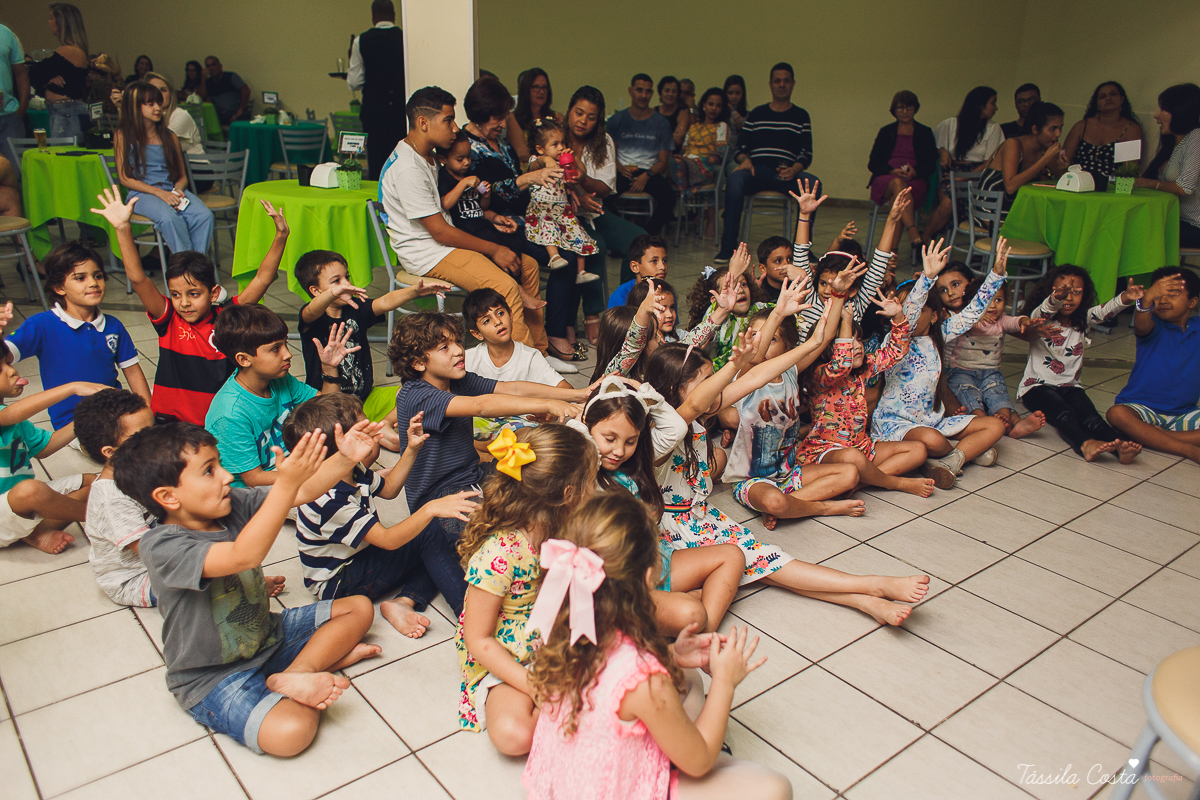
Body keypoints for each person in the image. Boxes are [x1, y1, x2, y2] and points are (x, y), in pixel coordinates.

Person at [113, 421, 383, 757]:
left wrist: (344, 458)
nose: (227, 476)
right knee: (291, 734)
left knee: (358, 607)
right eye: (209, 471)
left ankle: (299, 671)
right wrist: (285, 483)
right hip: (213, 674)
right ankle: (315, 663)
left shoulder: (230, 503)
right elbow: (244, 556)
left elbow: (302, 493)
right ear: (168, 497)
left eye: (220, 464)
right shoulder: (161, 545)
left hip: (268, 635)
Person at [523, 492, 792, 800]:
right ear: (650, 577)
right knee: (775, 788)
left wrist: (671, 655)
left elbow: (609, 678)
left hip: (574, 781)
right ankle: (712, 749)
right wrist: (725, 682)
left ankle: (705, 744)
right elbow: (699, 763)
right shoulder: (645, 681)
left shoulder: (563, 629)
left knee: (687, 677)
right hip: (621, 788)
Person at [645, 335, 931, 625]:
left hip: (700, 518)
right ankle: (872, 586)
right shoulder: (659, 435)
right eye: (708, 381)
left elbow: (757, 376)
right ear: (673, 389)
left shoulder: (692, 417)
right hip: (672, 532)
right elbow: (694, 404)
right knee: (768, 564)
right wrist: (732, 367)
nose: (718, 387)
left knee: (769, 564)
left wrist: (811, 343)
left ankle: (865, 599)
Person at [285, 394, 478, 636]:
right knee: (430, 533)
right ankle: (470, 616)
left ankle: (404, 601)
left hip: (361, 556)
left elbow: (388, 489)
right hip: (339, 583)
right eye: (365, 426)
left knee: (436, 537)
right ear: (341, 445)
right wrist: (430, 508)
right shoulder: (330, 500)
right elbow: (389, 540)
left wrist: (411, 449)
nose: (376, 427)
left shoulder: (350, 468)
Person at [455, 424, 597, 753]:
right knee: (513, 735)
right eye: (591, 483)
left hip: (556, 637)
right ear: (568, 495)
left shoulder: (570, 527)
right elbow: (478, 639)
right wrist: (532, 685)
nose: (596, 490)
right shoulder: (499, 554)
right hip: (508, 657)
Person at [379, 86, 552, 355]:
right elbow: (439, 232)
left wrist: (490, 218)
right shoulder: (408, 168)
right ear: (423, 123)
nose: (454, 127)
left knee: (526, 265)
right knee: (503, 286)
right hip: (427, 252)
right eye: (448, 120)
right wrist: (494, 249)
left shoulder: (428, 156)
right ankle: (526, 368)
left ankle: (539, 353)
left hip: (444, 243)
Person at [91, 186, 285, 425]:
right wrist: (122, 228)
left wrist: (280, 237)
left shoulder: (227, 317)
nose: (184, 303)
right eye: (175, 294)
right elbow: (138, 278)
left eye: (193, 294)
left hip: (219, 421)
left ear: (214, 293)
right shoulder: (168, 318)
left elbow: (262, 279)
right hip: (170, 421)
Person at [387, 311, 586, 543]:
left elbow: (511, 388)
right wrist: (549, 404)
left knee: (544, 487)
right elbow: (481, 406)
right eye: (444, 347)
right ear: (418, 362)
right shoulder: (416, 394)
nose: (458, 350)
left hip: (475, 476)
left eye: (457, 342)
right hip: (440, 497)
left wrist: (577, 394)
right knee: (502, 536)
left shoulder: (456, 381)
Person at [725, 287, 866, 528]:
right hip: (751, 480)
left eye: (771, 339)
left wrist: (838, 294)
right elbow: (756, 357)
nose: (762, 344)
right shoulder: (746, 376)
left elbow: (826, 336)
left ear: (788, 347)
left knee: (851, 474)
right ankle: (822, 508)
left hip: (789, 474)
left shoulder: (791, 371)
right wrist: (778, 314)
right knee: (774, 501)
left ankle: (789, 506)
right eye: (756, 337)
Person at [871, 241, 1007, 487]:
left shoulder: (940, 335)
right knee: (931, 440)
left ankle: (953, 459)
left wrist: (996, 274)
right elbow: (908, 316)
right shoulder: (894, 340)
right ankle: (961, 454)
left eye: (919, 308)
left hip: (934, 420)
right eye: (901, 307)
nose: (907, 312)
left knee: (994, 425)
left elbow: (973, 311)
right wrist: (928, 276)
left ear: (934, 315)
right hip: (897, 423)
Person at [543, 86, 647, 360]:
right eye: (578, 113)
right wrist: (577, 193)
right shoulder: (555, 137)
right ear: (568, 111)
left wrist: (581, 181)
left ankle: (626, 310)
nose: (582, 120)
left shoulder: (604, 142)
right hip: (563, 216)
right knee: (594, 246)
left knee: (638, 242)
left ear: (598, 120)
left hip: (595, 211)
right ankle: (592, 317)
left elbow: (604, 189)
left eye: (590, 117)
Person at [205, 304, 354, 488]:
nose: (288, 354)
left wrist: (330, 368)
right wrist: (316, 474)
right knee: (339, 477)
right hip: (254, 492)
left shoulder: (279, 379)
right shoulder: (229, 414)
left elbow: (331, 411)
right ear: (244, 359)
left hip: (290, 465)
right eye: (275, 349)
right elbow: (254, 479)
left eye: (286, 344)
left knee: (361, 452)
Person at [6, 241, 150, 429]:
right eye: (80, 278)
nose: (93, 283)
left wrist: (147, 410)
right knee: (119, 447)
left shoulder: (113, 325)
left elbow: (132, 371)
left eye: (98, 276)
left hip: (115, 410)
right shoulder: (41, 325)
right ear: (59, 287)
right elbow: (6, 354)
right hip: (72, 422)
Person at [295, 248, 449, 423]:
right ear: (316, 291)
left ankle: (381, 426)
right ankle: (373, 428)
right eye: (336, 281)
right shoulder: (312, 318)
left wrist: (414, 291)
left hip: (365, 399)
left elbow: (384, 302)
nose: (346, 284)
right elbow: (311, 311)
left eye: (347, 277)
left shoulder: (356, 308)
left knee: (420, 393)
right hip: (327, 404)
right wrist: (331, 294)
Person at [1017, 266, 1142, 463]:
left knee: (1091, 417)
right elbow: (1045, 308)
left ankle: (1120, 447)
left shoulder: (1083, 319)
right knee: (1065, 413)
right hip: (1036, 387)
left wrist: (1126, 297)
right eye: (1061, 292)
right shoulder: (1040, 319)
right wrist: (1056, 297)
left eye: (1076, 292)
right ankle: (1084, 444)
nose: (1069, 297)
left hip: (1070, 386)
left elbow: (1107, 310)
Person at [0, 341, 99, 555]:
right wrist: (72, 387)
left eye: (8, 363)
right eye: (1, 369)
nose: (12, 371)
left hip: (19, 505)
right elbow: (10, 415)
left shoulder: (14, 418)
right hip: (15, 503)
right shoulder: (9, 415)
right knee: (31, 490)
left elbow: (45, 448)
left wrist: (85, 417)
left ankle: (37, 533)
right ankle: (104, 517)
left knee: (95, 482)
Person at [715, 62, 816, 263]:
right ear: (770, 84)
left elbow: (806, 153)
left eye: (786, 81)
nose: (781, 85)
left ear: (793, 84)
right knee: (735, 180)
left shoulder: (801, 116)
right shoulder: (757, 115)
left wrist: (796, 168)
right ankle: (728, 248)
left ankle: (802, 249)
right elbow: (740, 148)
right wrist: (745, 161)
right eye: (777, 81)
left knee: (813, 184)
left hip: (787, 173)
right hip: (756, 172)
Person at [938, 267, 1048, 438]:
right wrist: (974, 317)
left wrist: (1025, 321)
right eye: (943, 290)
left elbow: (1014, 322)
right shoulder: (955, 317)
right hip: (960, 371)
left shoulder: (1001, 320)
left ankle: (1013, 422)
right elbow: (952, 322)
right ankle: (981, 421)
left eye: (998, 300)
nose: (951, 293)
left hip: (990, 372)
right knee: (970, 395)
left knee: (998, 392)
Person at [1107, 268, 1200, 464]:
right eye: (1159, 295)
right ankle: (1188, 450)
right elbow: (1141, 321)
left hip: (1184, 412)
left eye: (1173, 294)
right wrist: (1146, 299)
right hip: (1141, 408)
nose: (1164, 300)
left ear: (1192, 302)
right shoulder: (1153, 326)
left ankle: (1155, 437)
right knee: (1117, 414)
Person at [75, 388, 158, 606]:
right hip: (135, 579)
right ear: (110, 452)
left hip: (158, 553)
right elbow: (148, 550)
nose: (155, 439)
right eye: (142, 436)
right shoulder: (113, 498)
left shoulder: (142, 466)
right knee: (212, 581)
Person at [114, 82, 215, 254]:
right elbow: (125, 178)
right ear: (135, 107)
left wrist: (178, 189)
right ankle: (185, 269)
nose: (158, 108)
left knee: (205, 216)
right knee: (169, 218)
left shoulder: (169, 136)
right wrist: (160, 193)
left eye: (159, 103)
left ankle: (196, 268)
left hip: (171, 190)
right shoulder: (123, 135)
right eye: (150, 104)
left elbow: (182, 176)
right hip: (142, 194)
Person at [463, 287, 571, 443]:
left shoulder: (530, 357)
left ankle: (493, 451)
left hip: (520, 424)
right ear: (477, 334)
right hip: (479, 423)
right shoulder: (470, 358)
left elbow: (566, 389)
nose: (497, 322)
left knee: (528, 437)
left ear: (511, 315)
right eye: (486, 320)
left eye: (500, 313)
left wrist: (551, 412)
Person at [922, 86, 1005, 243]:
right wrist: (942, 152)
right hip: (951, 172)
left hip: (978, 176)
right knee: (948, 202)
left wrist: (965, 179)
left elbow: (990, 162)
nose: (996, 108)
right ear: (980, 105)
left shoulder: (993, 129)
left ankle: (976, 246)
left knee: (959, 201)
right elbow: (932, 146)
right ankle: (924, 239)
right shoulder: (950, 124)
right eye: (992, 103)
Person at [525, 119, 599, 285]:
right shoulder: (535, 161)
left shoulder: (562, 164)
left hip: (561, 210)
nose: (560, 147)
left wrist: (573, 158)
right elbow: (537, 164)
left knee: (577, 232)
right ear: (540, 148)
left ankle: (581, 271)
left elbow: (580, 173)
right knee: (548, 228)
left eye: (562, 143)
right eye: (555, 144)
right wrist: (546, 161)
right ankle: (554, 256)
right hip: (542, 209)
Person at [607, 73, 675, 237]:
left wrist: (646, 175)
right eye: (639, 90)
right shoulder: (616, 120)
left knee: (669, 198)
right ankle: (622, 235)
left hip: (649, 172)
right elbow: (609, 154)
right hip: (622, 171)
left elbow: (663, 161)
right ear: (630, 91)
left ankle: (645, 237)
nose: (643, 95)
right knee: (603, 197)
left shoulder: (661, 123)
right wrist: (621, 168)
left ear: (652, 94)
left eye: (647, 91)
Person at [868, 90, 937, 248]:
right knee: (898, 185)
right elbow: (873, 164)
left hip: (915, 181)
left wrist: (915, 171)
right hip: (886, 178)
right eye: (900, 108)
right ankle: (913, 233)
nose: (904, 112)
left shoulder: (925, 133)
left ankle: (892, 254)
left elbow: (930, 165)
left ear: (915, 109)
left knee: (897, 202)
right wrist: (891, 170)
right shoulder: (886, 132)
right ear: (894, 110)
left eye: (909, 107)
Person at [976, 102, 1067, 221]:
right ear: (1035, 129)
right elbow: (1010, 186)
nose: (1058, 134)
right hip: (991, 208)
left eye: (1060, 128)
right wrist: (1045, 160)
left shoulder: (1044, 149)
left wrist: (1063, 168)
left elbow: (1060, 180)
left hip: (1015, 207)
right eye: (1053, 129)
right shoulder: (1014, 144)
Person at [347, 0, 406, 181]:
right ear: (394, 14)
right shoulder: (405, 38)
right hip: (399, 110)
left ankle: (376, 201)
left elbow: (354, 82)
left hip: (374, 111)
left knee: (376, 160)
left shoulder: (360, 41)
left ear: (373, 16)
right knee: (400, 158)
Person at [1136, 83, 1200, 248]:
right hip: (1174, 218)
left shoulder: (1196, 138)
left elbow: (1184, 187)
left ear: (1181, 111)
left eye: (1163, 109)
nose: (1156, 115)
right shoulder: (1174, 142)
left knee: (1136, 233)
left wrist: (1147, 183)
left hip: (1194, 225)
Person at [27, 3, 89, 140]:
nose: (49, 22)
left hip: (67, 112)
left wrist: (45, 79)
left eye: (51, 18)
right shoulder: (68, 50)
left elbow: (35, 72)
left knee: (63, 155)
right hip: (60, 111)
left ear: (62, 23)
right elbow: (36, 76)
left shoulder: (69, 51)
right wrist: (47, 81)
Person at [1063, 81, 1142, 179]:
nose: (1108, 98)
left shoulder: (1130, 130)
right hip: (1078, 183)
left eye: (1113, 94)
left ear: (1122, 99)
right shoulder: (1081, 126)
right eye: (1102, 96)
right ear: (1096, 104)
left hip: (1111, 188)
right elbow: (1063, 163)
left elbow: (1128, 172)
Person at [672, 87, 729, 191]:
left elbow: (720, 156)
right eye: (710, 104)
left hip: (704, 167)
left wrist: (696, 161)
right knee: (664, 161)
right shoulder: (693, 127)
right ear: (704, 105)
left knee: (673, 165)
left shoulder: (721, 126)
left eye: (718, 106)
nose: (714, 108)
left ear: (722, 109)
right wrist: (681, 157)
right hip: (685, 163)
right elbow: (684, 150)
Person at [507, 67, 562, 165]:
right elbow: (522, 153)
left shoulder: (557, 117)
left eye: (544, 87)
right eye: (536, 87)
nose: (541, 92)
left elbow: (566, 147)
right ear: (526, 90)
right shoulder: (514, 118)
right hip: (528, 172)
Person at [145, 72, 202, 154]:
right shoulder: (148, 116)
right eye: (153, 90)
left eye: (163, 90)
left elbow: (160, 147)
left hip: (194, 165)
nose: (158, 94)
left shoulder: (180, 115)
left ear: (171, 94)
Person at [0, 21, 29, 179]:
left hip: (11, 117)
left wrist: (22, 108)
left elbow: (21, 73)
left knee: (17, 174)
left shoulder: (6, 33)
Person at [607, 234, 668, 308]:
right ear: (635, 267)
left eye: (664, 261)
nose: (662, 267)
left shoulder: (667, 292)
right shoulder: (620, 296)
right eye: (654, 261)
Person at [203, 55, 250, 125]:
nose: (211, 68)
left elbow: (246, 91)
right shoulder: (208, 82)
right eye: (208, 66)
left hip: (235, 115)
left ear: (220, 66)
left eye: (213, 65)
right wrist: (203, 78)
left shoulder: (231, 76)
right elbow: (202, 97)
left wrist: (240, 110)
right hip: (217, 117)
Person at [655, 75, 691, 149]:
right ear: (660, 92)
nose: (670, 94)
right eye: (667, 90)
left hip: (672, 156)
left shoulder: (682, 114)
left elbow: (677, 140)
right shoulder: (651, 112)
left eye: (674, 91)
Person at [723, 74, 748, 139]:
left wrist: (740, 127)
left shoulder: (748, 116)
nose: (734, 97)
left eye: (737, 93)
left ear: (743, 94)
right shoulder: (718, 113)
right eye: (730, 93)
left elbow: (748, 141)